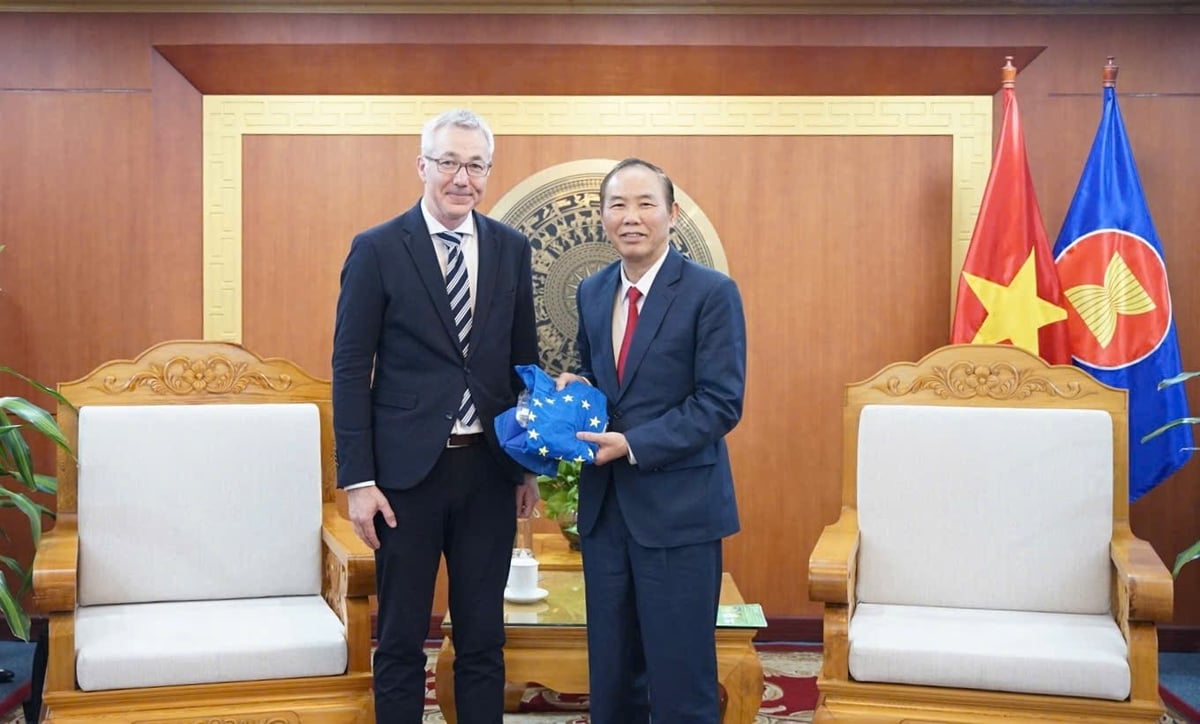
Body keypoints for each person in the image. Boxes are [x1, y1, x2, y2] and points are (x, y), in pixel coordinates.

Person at [332, 108, 540, 724]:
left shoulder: (511, 248)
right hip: (404, 479)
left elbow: (522, 364)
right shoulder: (376, 249)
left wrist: (525, 466)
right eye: (449, 162)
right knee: (399, 639)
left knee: (483, 638)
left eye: (476, 165)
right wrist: (358, 480)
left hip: (488, 471)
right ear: (422, 165)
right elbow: (350, 369)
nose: (462, 178)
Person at [557, 158, 747, 723]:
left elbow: (720, 403)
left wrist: (632, 443)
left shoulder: (712, 293)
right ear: (602, 217)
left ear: (672, 214)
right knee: (612, 676)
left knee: (681, 676)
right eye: (618, 205)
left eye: (645, 204)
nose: (631, 217)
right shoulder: (592, 292)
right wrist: (580, 390)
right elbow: (611, 386)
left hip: (679, 512)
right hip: (606, 511)